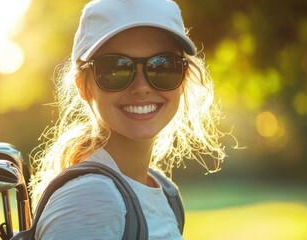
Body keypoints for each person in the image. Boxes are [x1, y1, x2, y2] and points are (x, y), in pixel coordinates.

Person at [29, 0, 228, 239]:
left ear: (184, 78)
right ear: (83, 86)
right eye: (116, 68)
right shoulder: (92, 198)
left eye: (162, 67)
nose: (141, 87)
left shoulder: (163, 190)